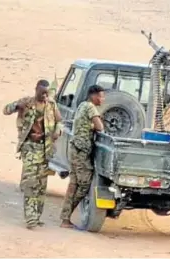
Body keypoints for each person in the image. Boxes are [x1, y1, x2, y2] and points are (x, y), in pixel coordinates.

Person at [3, 79, 63, 229]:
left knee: (41, 185)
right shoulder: (26, 102)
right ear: (36, 89)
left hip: (45, 149)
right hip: (30, 147)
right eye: (42, 92)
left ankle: (37, 216)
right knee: (30, 183)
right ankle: (30, 218)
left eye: (47, 93)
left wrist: (58, 130)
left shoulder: (51, 105)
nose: (44, 95)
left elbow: (60, 121)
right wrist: (17, 106)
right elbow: (6, 110)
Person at [60, 85, 105, 228]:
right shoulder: (91, 107)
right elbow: (100, 128)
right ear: (93, 95)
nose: (102, 99)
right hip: (81, 151)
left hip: (75, 149)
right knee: (84, 184)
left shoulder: (82, 106)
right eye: (101, 96)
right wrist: (96, 124)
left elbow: (85, 125)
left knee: (73, 184)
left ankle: (65, 218)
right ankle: (65, 216)